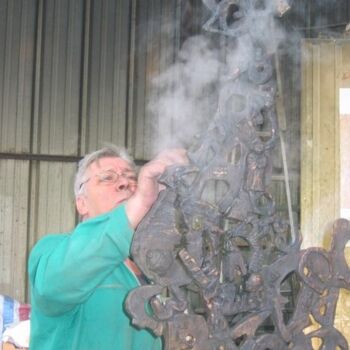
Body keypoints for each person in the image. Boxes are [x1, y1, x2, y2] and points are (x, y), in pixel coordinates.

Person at [28, 145, 188, 350]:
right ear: (81, 203)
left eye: (132, 178)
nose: (126, 183)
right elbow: (55, 285)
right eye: (107, 178)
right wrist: (141, 201)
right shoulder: (51, 251)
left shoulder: (152, 268)